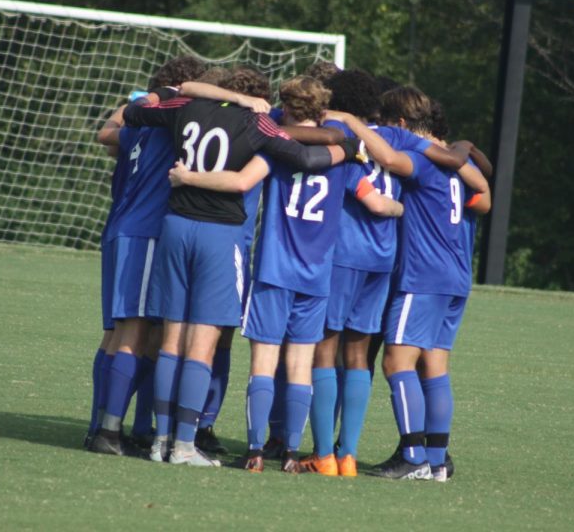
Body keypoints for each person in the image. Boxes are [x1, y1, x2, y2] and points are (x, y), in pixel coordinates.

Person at [122, 67, 360, 467]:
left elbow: (141, 111)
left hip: (175, 226)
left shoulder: (187, 105)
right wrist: (350, 147)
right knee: (202, 344)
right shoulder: (258, 124)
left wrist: (182, 171)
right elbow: (301, 156)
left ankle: (159, 440)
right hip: (220, 235)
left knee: (170, 340)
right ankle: (183, 445)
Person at [167, 76, 403, 473]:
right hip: (316, 275)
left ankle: (256, 449)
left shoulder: (275, 149)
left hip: (275, 269)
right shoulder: (343, 158)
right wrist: (402, 210)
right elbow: (377, 204)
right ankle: (293, 453)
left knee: (263, 362)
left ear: (287, 107)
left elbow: (242, 181)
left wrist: (188, 177)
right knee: (299, 366)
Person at [296, 70, 473, 477]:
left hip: (350, 254)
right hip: (387, 258)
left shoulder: (353, 134)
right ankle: (352, 454)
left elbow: (378, 180)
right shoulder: (423, 144)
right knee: (365, 356)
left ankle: (328, 455)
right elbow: (479, 186)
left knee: (331, 351)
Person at [368, 88, 491, 481]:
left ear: (401, 124)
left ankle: (412, 457)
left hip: (424, 277)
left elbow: (389, 159)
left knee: (395, 363)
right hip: (456, 277)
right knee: (435, 367)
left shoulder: (422, 160)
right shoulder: (457, 163)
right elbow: (484, 197)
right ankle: (437, 460)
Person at [86, 56, 207, 455]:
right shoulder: (172, 128)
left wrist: (138, 101)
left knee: (121, 336)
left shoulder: (134, 126)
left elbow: (106, 133)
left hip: (120, 230)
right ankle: (110, 431)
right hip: (146, 233)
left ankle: (104, 426)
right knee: (135, 336)